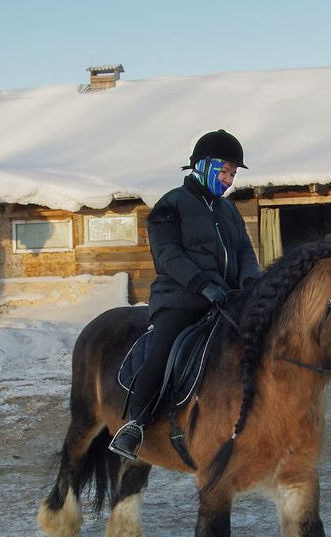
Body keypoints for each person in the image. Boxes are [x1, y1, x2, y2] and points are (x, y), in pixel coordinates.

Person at [109, 129, 262, 460]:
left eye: (233, 174)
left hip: (227, 299)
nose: (229, 180)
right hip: (180, 298)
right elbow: (168, 255)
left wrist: (251, 281)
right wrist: (203, 284)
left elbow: (245, 251)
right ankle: (136, 424)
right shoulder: (171, 204)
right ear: (204, 166)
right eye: (225, 172)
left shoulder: (229, 211)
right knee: (164, 348)